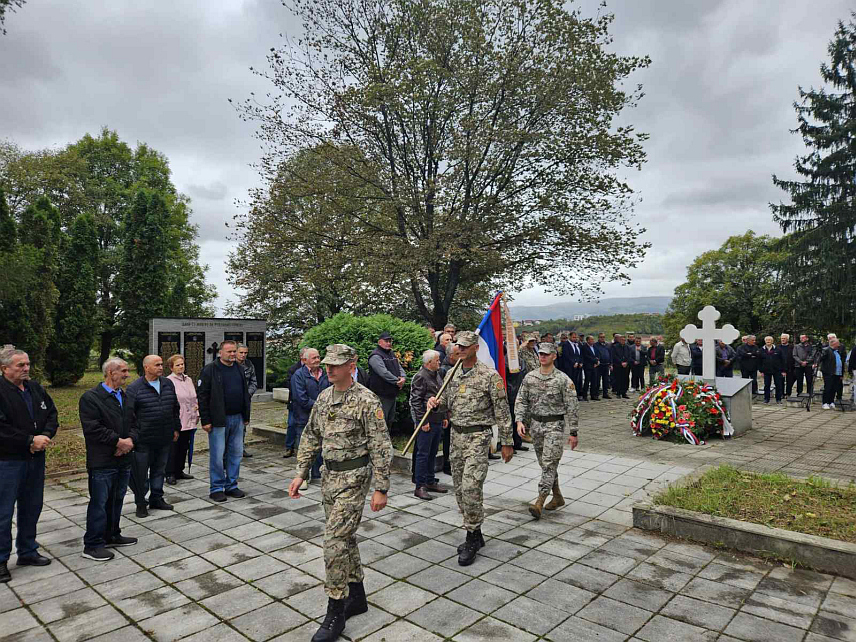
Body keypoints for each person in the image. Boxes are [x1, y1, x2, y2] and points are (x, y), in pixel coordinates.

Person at [288, 344, 392, 642]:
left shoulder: (365, 399)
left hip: (355, 478)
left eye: (336, 364)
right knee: (345, 538)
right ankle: (356, 595)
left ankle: (335, 610)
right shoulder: (324, 396)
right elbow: (310, 435)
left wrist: (381, 488)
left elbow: (381, 445)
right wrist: (300, 472)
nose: (330, 369)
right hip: (329, 477)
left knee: (333, 540)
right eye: (327, 364)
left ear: (352, 365)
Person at [427, 331, 514, 566]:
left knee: (471, 486)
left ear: (475, 348)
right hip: (456, 436)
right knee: (458, 487)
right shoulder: (453, 373)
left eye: (465, 346)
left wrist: (507, 442)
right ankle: (475, 530)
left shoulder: (489, 376)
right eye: (459, 346)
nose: (460, 349)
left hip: (478, 436)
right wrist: (434, 404)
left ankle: (472, 536)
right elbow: (445, 401)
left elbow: (503, 410)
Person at [0, 349, 57, 583]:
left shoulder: (35, 388)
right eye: (20, 365)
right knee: (3, 513)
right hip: (8, 461)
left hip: (35, 459)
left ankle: (27, 551)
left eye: (27, 364)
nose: (26, 369)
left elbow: (52, 414)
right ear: (4, 368)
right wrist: (28, 441)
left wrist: (43, 436)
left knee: (32, 507)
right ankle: (1, 560)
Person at [79, 357, 138, 561]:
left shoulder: (126, 396)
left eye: (127, 370)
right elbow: (93, 428)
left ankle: (112, 534)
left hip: (123, 459)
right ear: (110, 372)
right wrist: (118, 442)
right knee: (99, 502)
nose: (127, 374)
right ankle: (93, 544)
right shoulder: (91, 398)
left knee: (117, 499)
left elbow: (135, 423)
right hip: (102, 461)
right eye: (123, 370)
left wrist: (129, 441)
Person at [515, 343, 579, 520]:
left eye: (546, 354)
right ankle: (557, 496)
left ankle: (540, 501)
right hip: (536, 426)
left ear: (553, 356)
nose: (542, 357)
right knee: (545, 464)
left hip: (554, 426)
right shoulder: (530, 377)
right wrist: (520, 420)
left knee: (549, 463)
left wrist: (574, 432)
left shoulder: (563, 379)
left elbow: (572, 407)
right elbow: (521, 400)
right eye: (540, 354)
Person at [126, 355, 181, 517]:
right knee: (140, 473)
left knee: (159, 470)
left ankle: (157, 497)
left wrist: (176, 428)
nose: (160, 367)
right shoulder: (134, 388)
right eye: (156, 365)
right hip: (144, 439)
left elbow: (174, 408)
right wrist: (133, 436)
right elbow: (129, 416)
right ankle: (141, 502)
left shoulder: (167, 384)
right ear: (146, 367)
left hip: (164, 437)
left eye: (161, 364)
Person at [198, 340, 251, 502]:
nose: (233, 354)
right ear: (220, 352)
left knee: (235, 454)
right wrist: (205, 420)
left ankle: (231, 485)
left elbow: (244, 393)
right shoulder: (210, 370)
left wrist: (246, 416)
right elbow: (202, 396)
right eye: (229, 351)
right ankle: (216, 488)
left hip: (237, 418)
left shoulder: (239, 369)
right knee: (217, 455)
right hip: (218, 420)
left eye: (234, 351)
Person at [409, 350, 448, 500]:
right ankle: (420, 485)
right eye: (437, 360)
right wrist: (422, 421)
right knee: (423, 454)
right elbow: (416, 401)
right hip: (427, 421)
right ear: (428, 362)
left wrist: (443, 415)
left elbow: (440, 396)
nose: (439, 362)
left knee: (432, 452)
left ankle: (430, 480)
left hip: (437, 418)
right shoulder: (421, 376)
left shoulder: (437, 374)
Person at [292, 348, 330, 489]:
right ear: (305, 360)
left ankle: (317, 474)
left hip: (322, 418)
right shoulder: (299, 375)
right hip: (304, 417)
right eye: (314, 358)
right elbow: (301, 398)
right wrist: (321, 405)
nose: (317, 360)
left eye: (318, 357)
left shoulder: (325, 374)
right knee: (304, 447)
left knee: (320, 445)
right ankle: (303, 477)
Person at [165, 354, 198, 485]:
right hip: (177, 419)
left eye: (182, 364)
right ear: (171, 367)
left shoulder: (188, 379)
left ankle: (179, 470)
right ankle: (169, 473)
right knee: (173, 448)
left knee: (184, 446)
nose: (181, 367)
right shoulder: (168, 381)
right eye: (178, 365)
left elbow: (194, 398)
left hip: (190, 418)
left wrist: (197, 413)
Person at [367, 331, 405, 429]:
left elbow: (399, 367)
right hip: (381, 395)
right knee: (381, 422)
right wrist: (397, 381)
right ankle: (380, 444)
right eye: (386, 341)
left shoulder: (391, 353)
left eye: (390, 341)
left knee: (389, 420)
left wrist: (403, 377)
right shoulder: (375, 356)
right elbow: (383, 373)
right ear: (379, 342)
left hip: (391, 393)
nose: (389, 343)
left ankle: (388, 442)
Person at [283, 347, 308, 458]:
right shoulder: (293, 369)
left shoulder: (315, 370)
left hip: (307, 402)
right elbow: (290, 385)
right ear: (301, 356)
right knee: (292, 425)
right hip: (295, 402)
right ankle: (289, 447)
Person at [236, 344, 258, 458]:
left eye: (245, 353)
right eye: (241, 352)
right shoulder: (230, 365)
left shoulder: (249, 365)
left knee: (243, 425)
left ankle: (241, 448)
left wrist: (247, 394)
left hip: (245, 401)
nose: (243, 355)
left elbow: (254, 382)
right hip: (232, 400)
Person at [759, 336, 785, 404]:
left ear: (772, 341)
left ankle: (778, 399)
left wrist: (783, 370)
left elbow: (782, 360)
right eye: (767, 340)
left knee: (778, 385)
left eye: (770, 340)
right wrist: (761, 371)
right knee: (767, 385)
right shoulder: (761, 350)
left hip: (777, 370)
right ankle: (766, 399)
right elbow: (759, 361)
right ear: (765, 341)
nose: (768, 341)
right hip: (766, 371)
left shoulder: (778, 349)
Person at [820, 338, 844, 409]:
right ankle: (825, 402)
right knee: (828, 387)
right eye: (838, 343)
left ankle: (831, 401)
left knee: (834, 388)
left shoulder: (837, 351)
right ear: (833, 343)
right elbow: (821, 358)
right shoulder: (826, 350)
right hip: (829, 372)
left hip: (837, 373)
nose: (839, 345)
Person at [610, 334, 632, 398]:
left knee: (625, 379)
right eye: (622, 340)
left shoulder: (627, 347)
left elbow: (629, 356)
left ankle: (624, 393)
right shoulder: (615, 347)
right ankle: (618, 393)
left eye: (624, 340)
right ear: (619, 340)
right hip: (618, 365)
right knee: (618, 379)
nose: (623, 341)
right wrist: (621, 362)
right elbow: (614, 356)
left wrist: (626, 362)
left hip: (626, 366)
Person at [593, 333, 612, 399]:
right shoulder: (595, 345)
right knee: (597, 380)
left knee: (606, 380)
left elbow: (610, 354)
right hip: (599, 365)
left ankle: (605, 393)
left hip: (606, 365)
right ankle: (596, 394)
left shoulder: (607, 345)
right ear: (598, 338)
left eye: (603, 337)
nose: (602, 338)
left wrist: (610, 363)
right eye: (601, 337)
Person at [581, 335, 598, 400]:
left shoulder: (594, 346)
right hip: (588, 366)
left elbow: (597, 354)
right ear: (588, 340)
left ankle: (593, 395)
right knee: (587, 381)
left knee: (594, 381)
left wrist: (597, 361)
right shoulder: (584, 347)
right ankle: (584, 395)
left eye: (593, 339)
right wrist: (595, 360)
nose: (593, 341)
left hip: (594, 366)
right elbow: (586, 356)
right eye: (591, 339)